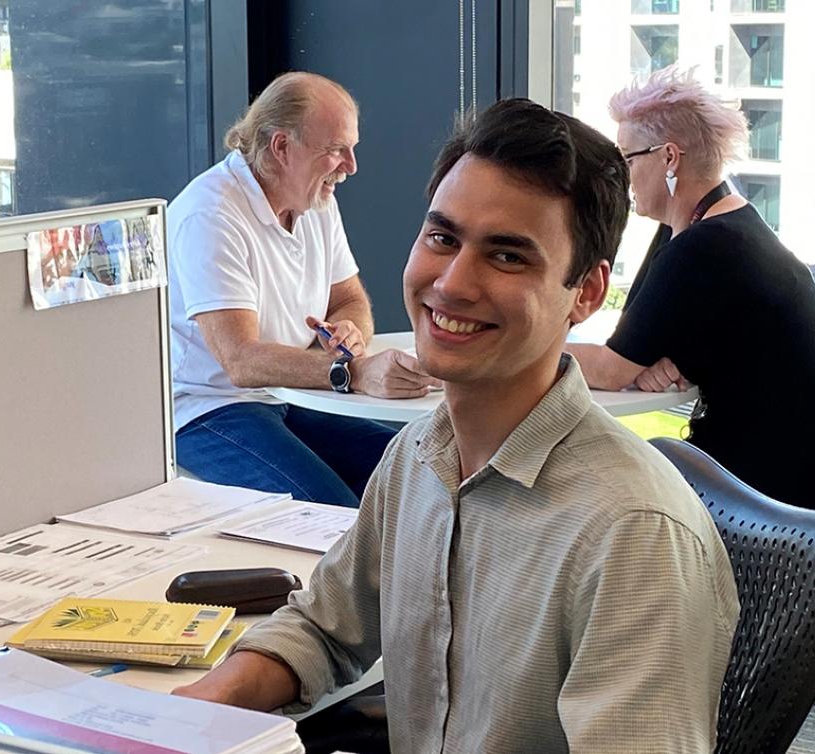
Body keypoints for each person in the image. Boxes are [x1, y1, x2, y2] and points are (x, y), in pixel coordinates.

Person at [172, 99, 739, 753]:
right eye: (443, 238)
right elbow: (326, 629)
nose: (452, 282)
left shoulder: (633, 535)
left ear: (584, 292)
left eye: (507, 257)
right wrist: (200, 705)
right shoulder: (417, 454)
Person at [168, 72, 437, 507]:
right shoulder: (211, 214)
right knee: (335, 514)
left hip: (285, 397)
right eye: (335, 150)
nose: (351, 166)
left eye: (352, 149)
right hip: (208, 410)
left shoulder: (316, 201)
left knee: (422, 474)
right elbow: (241, 361)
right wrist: (355, 373)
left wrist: (351, 330)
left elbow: (350, 298)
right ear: (280, 147)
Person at [567, 67, 815, 509]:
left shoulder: (706, 246)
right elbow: (632, 341)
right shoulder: (717, 223)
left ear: (668, 158)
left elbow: (610, 368)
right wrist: (650, 359)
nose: (622, 177)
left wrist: (507, 350)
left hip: (762, 501)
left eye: (627, 159)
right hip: (765, 477)